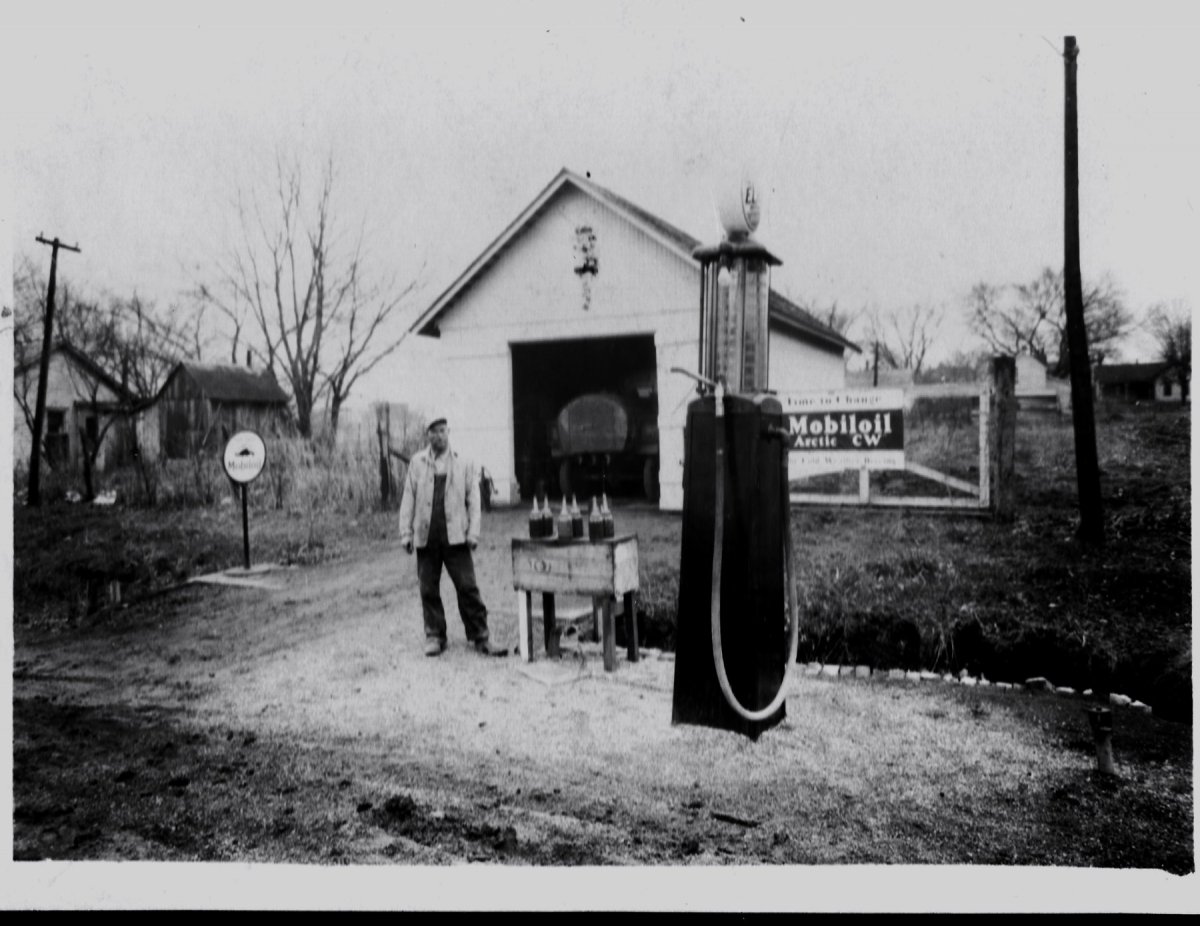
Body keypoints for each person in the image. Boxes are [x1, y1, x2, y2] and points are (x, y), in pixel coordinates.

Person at [399, 417, 507, 657]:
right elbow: (409, 497)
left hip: (456, 536)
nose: (438, 436)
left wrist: (473, 532)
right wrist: (406, 533)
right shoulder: (417, 462)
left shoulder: (464, 463)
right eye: (433, 432)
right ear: (427, 436)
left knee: (468, 587)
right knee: (428, 588)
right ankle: (435, 636)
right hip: (426, 535)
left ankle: (481, 636)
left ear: (449, 432)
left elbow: (474, 500)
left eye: (442, 431)